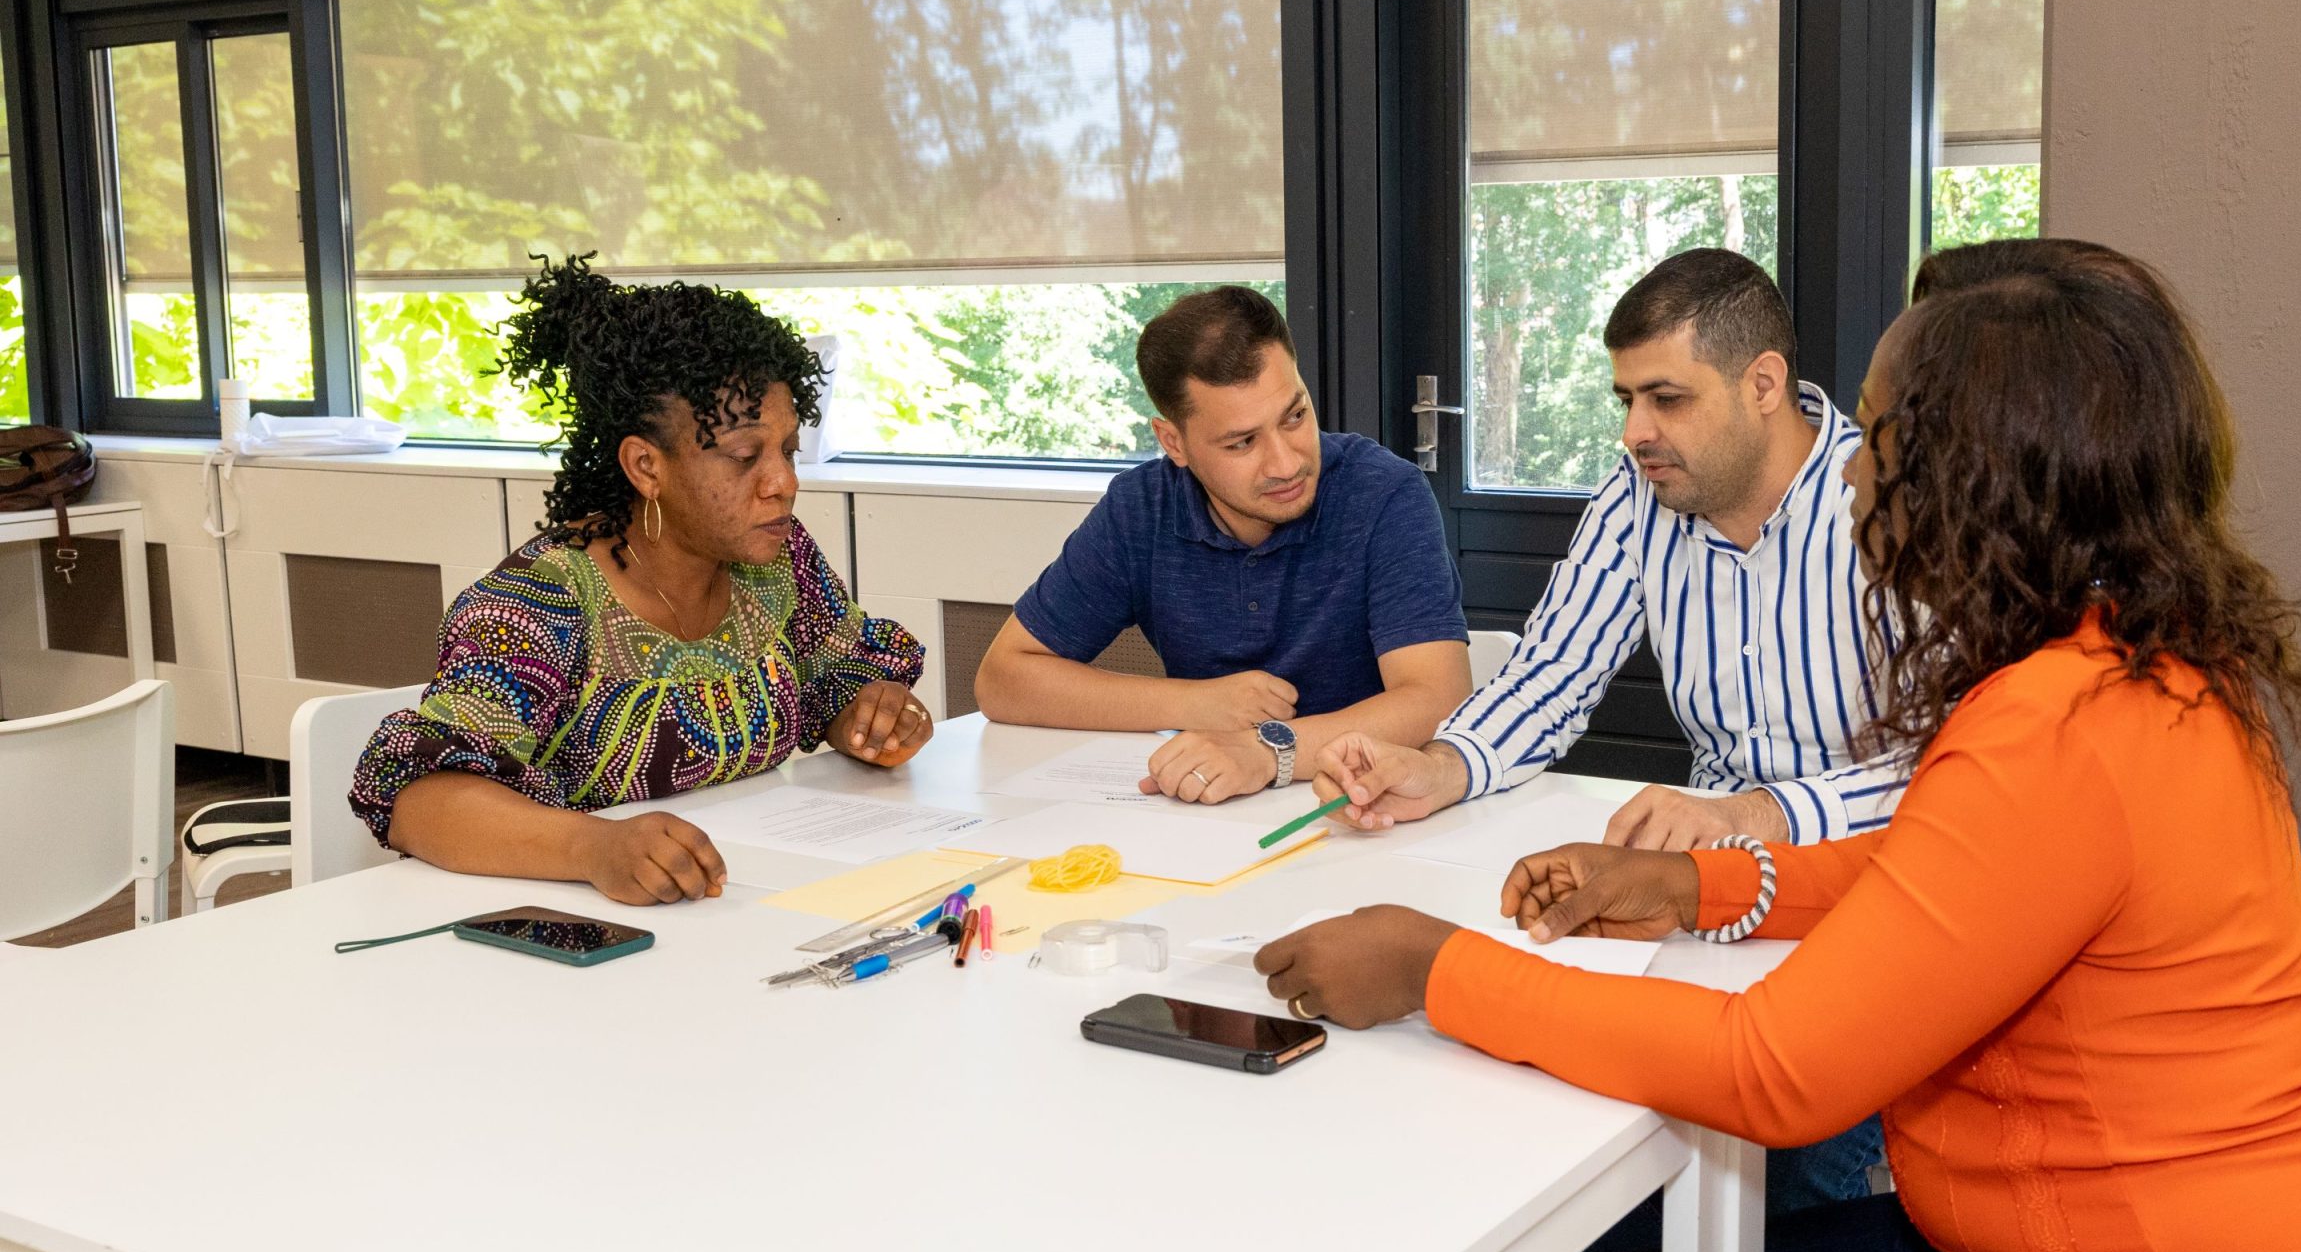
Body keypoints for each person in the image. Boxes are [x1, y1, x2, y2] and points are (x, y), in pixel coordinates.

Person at [1256, 240, 2301, 1252]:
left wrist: (1437, 966)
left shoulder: (2061, 723)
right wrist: (1704, 889)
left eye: (1882, 442)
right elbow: (1945, 882)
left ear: (1978, 478)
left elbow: (1774, 1068)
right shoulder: (2120, 667)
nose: (1850, 470)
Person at [1307, 247, 1904, 1211]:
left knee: (1777, 1202)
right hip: (1694, 907)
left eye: (1665, 398)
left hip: (1862, 911)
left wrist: (1761, 814)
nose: (1636, 432)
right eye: (1624, 399)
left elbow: (1952, 771)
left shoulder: (1889, 502)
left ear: (1763, 385)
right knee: (1542, 1127)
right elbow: (1553, 669)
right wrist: (1442, 766)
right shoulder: (1647, 490)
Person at [351, 257, 932, 907]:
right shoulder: (538, 603)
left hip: (745, 909)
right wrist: (595, 847)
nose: (783, 482)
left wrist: (868, 713)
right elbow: (420, 801)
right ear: (646, 466)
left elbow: (838, 669)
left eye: (788, 450)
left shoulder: (777, 562)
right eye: (745, 456)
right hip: (579, 931)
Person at [973, 286, 1472, 806]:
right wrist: (1197, 703)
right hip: (1211, 809)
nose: (1285, 463)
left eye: (1295, 416)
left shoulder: (1385, 493)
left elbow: (1438, 697)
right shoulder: (1140, 509)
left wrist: (1266, 752)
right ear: (1174, 443)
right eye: (1242, 443)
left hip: (1369, 809)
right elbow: (1004, 680)